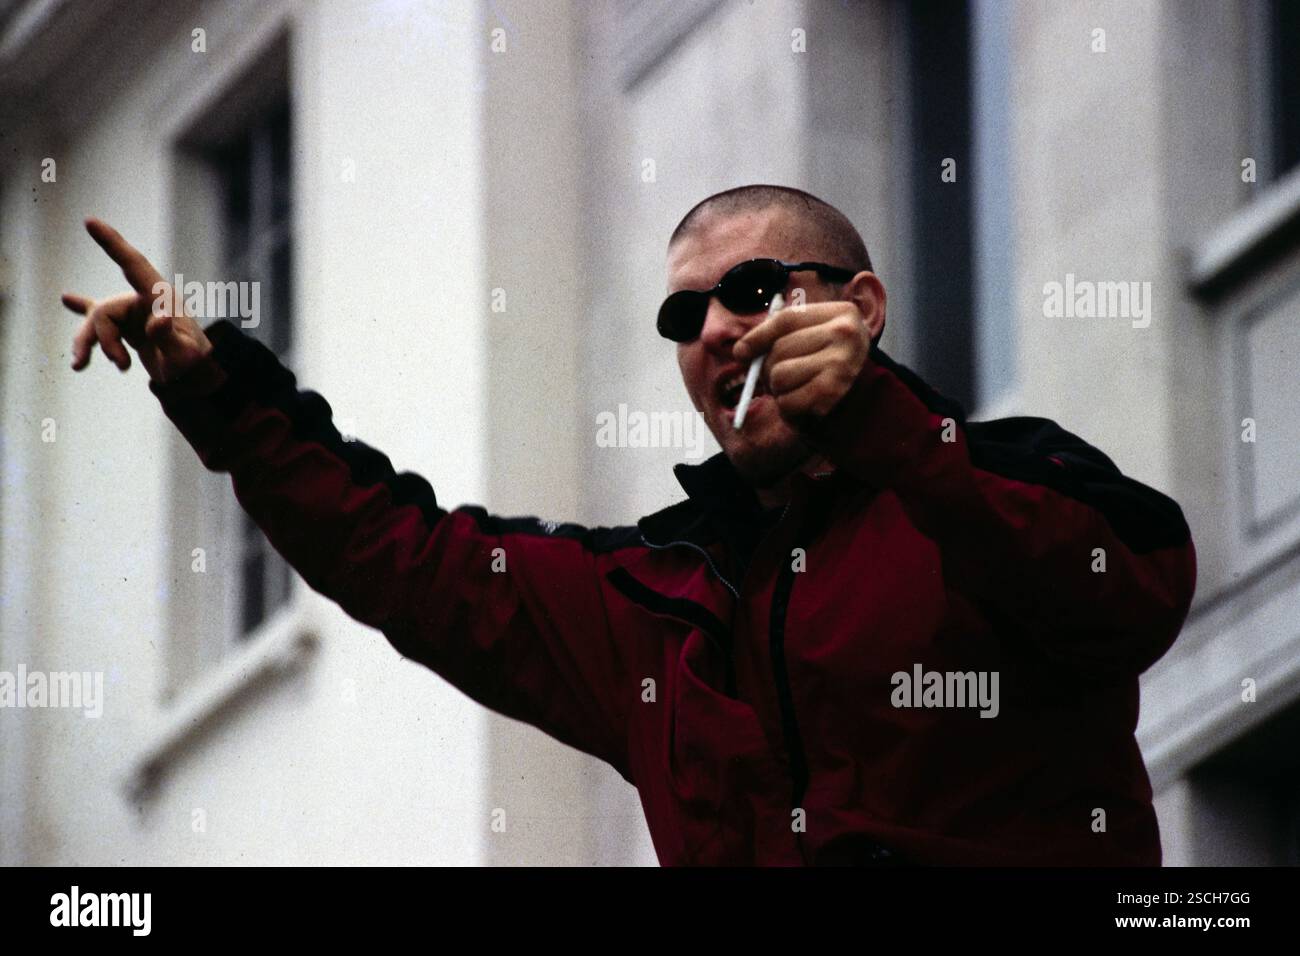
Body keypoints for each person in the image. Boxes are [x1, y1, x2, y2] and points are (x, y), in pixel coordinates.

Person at [62, 184, 1197, 866]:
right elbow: (403, 554)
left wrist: (884, 428)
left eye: (753, 285)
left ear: (860, 307)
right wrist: (218, 390)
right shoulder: (660, 601)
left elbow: (1131, 589)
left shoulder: (993, 482)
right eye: (681, 311)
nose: (713, 327)